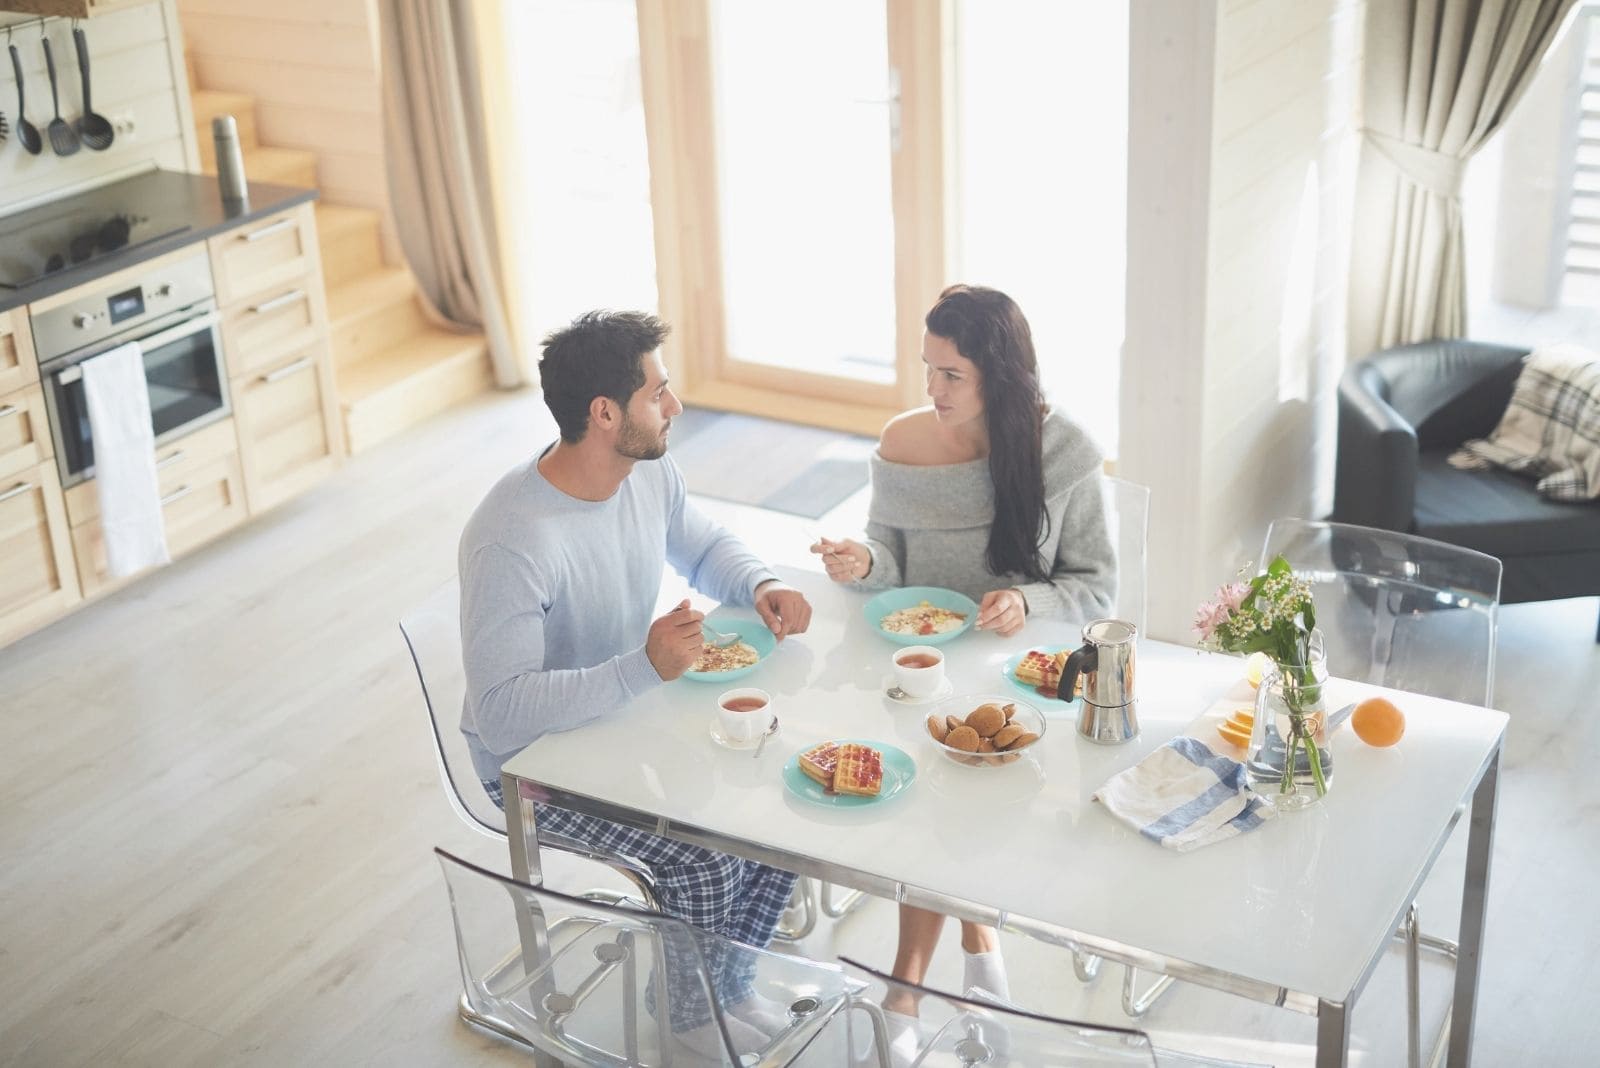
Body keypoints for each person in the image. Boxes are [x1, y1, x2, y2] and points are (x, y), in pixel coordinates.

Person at [459, 309, 813, 1055]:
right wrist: (641, 668)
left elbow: (702, 544)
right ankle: (687, 1026)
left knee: (782, 817)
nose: (675, 407)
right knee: (706, 857)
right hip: (531, 767)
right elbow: (500, 716)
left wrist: (758, 584)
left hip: (624, 719)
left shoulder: (646, 473)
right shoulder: (512, 538)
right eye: (660, 392)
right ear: (604, 412)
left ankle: (721, 991)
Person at [811, 283, 1115, 1014]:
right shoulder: (904, 440)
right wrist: (863, 563)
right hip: (916, 664)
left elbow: (1098, 589)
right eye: (928, 369)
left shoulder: (1064, 450)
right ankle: (976, 942)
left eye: (953, 375)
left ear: (999, 376)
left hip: (1014, 680)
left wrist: (1026, 600)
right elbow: (889, 552)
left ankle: (907, 985)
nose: (933, 389)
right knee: (936, 794)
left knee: (949, 803)